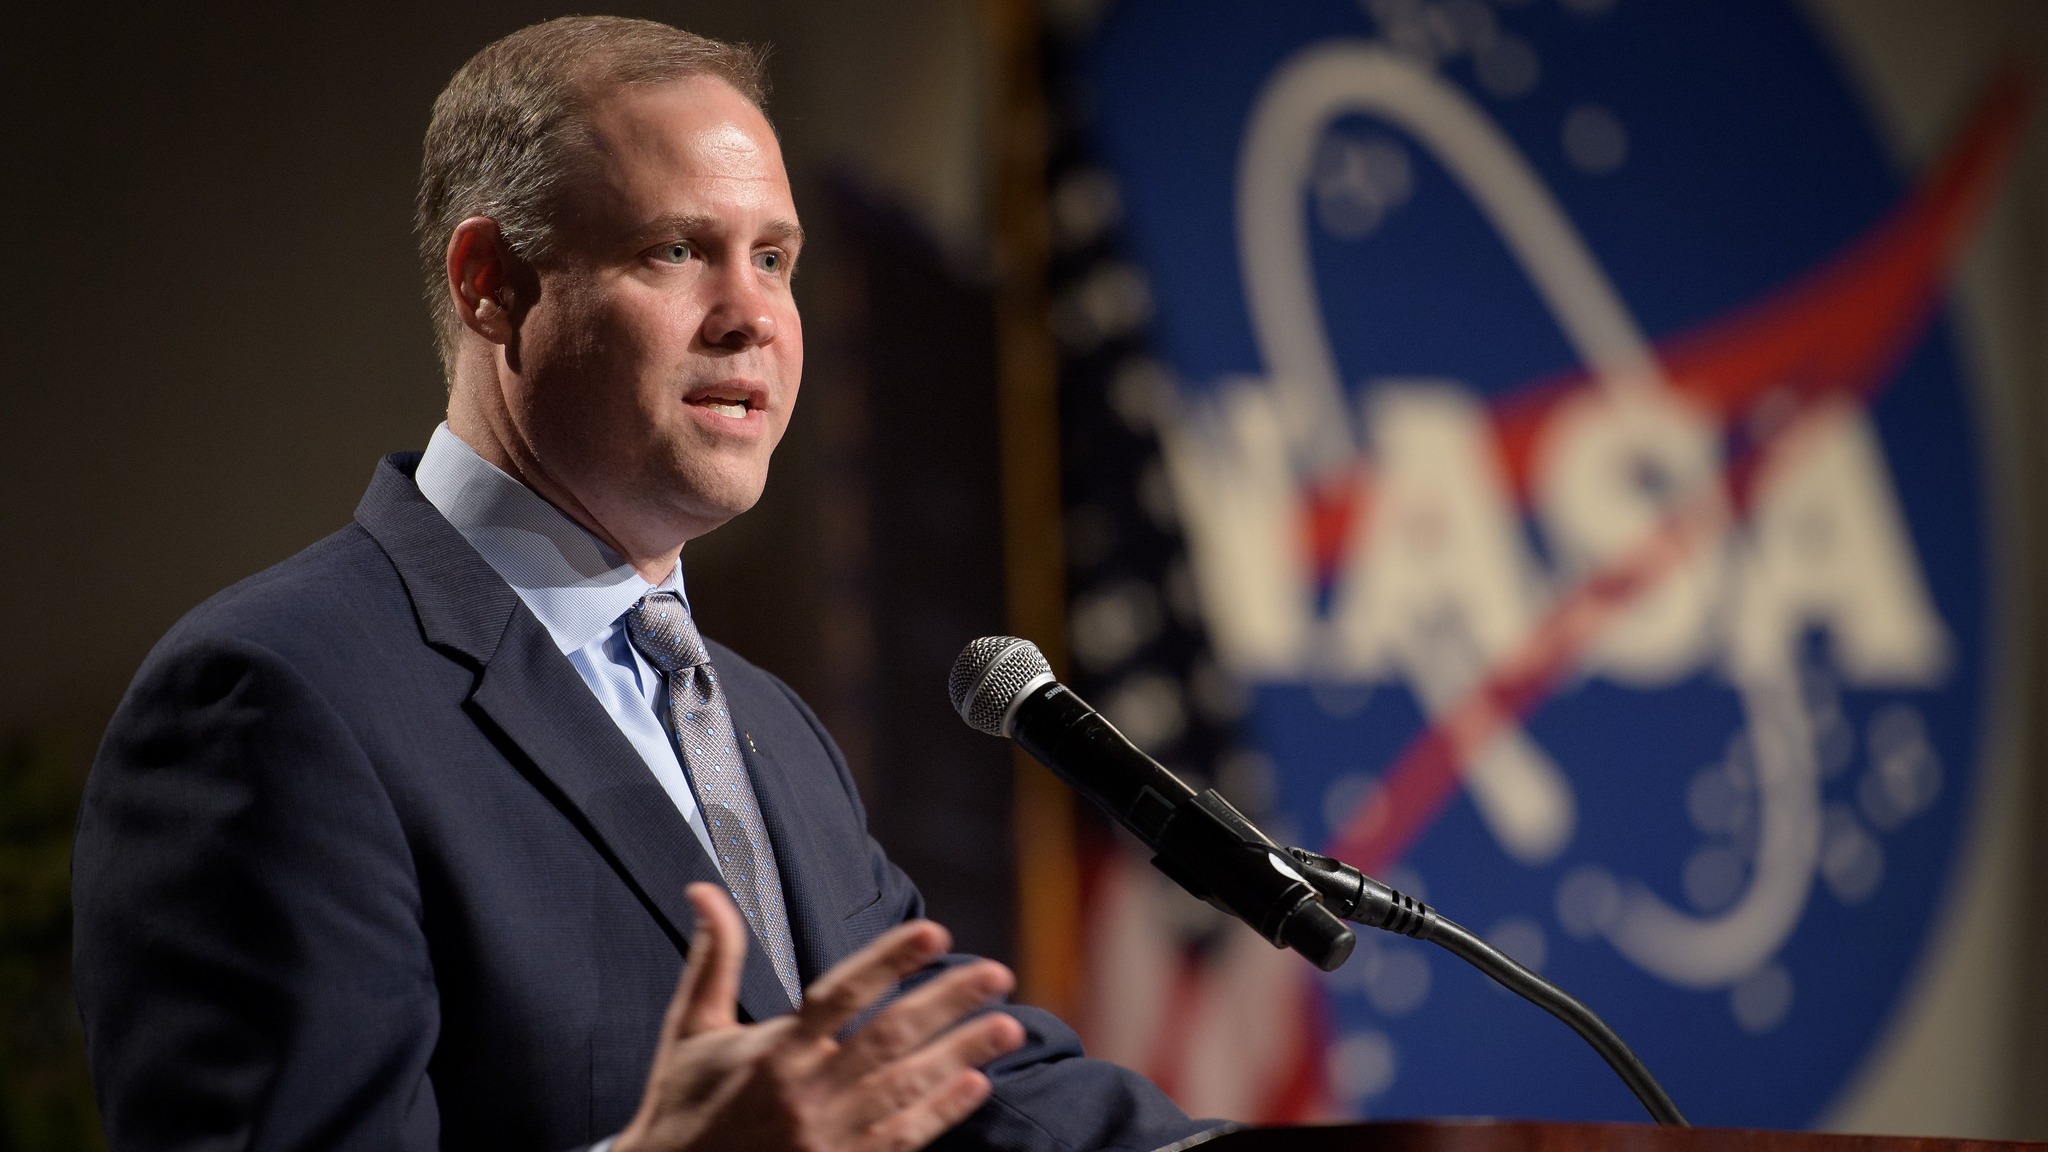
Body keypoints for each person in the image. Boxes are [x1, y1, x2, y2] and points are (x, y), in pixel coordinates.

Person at [71, 16, 1212, 1152]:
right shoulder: (275, 700)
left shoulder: (766, 724)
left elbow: (965, 1079)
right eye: (676, 250)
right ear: (489, 286)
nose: (751, 315)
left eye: (773, 259)